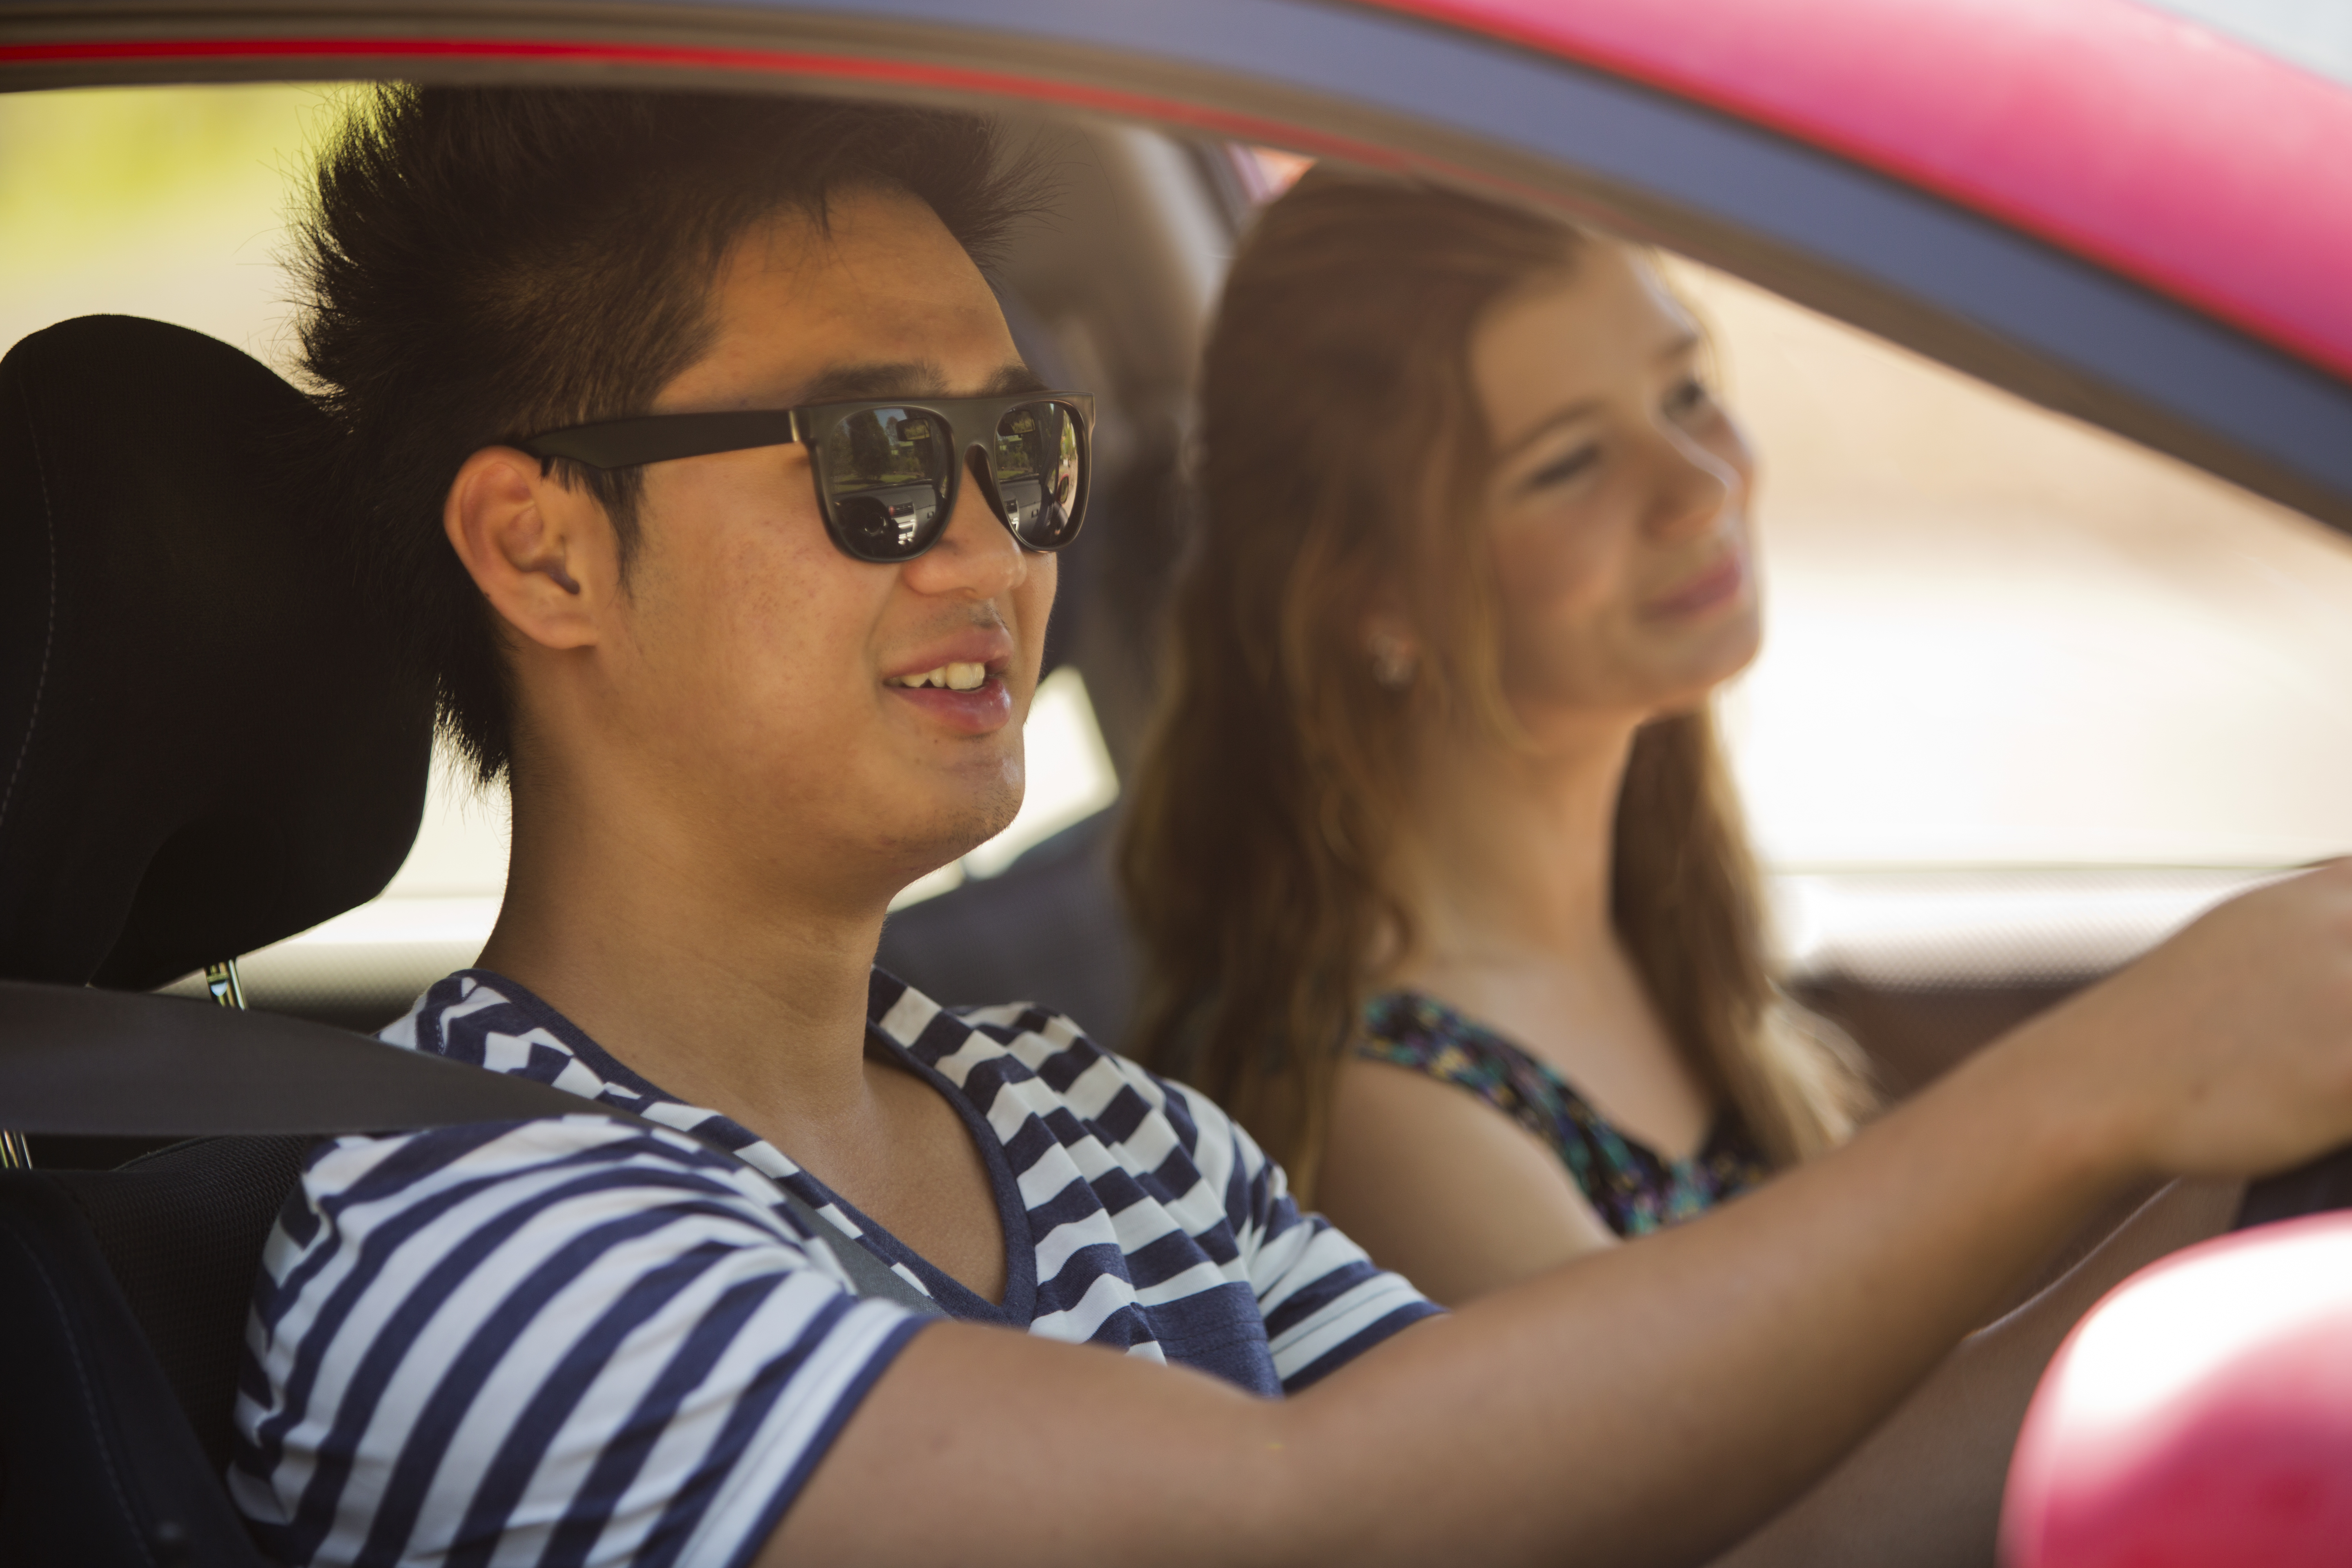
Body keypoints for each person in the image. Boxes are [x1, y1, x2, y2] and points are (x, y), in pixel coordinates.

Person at [231, 85, 2352, 1568]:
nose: (994, 552)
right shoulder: (464, 1236)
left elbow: (1675, 1515)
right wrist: (2104, 1083)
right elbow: (1315, 1522)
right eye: (883, 454)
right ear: (544, 553)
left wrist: (2234, 1201)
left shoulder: (1092, 1130)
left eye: (1023, 451)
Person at [1116, 169, 2246, 1561]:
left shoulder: (1656, 926)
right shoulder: (1385, 1107)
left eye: (1686, 391)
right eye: (1569, 463)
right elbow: (1763, 1541)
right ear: (1374, 592)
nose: (1700, 483)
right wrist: (2197, 1193)